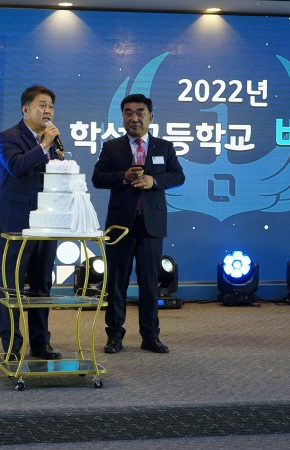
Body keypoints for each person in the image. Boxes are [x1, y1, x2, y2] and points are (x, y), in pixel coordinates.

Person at [92, 93, 185, 354]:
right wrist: (123, 176)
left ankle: (150, 336)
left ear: (150, 117)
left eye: (140, 112)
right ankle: (114, 336)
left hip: (151, 225)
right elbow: (98, 178)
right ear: (122, 117)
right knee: (116, 283)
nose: (134, 118)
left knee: (149, 283)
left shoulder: (164, 147)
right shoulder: (112, 147)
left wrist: (154, 181)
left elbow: (178, 176)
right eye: (128, 113)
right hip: (120, 226)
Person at [0, 85, 63, 360]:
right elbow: (17, 167)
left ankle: (41, 343)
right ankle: (12, 347)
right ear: (25, 109)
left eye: (51, 106)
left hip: (47, 222)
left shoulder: (54, 141)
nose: (48, 111)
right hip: (14, 222)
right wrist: (43, 145)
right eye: (42, 105)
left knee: (42, 286)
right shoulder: (8, 137)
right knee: (12, 287)